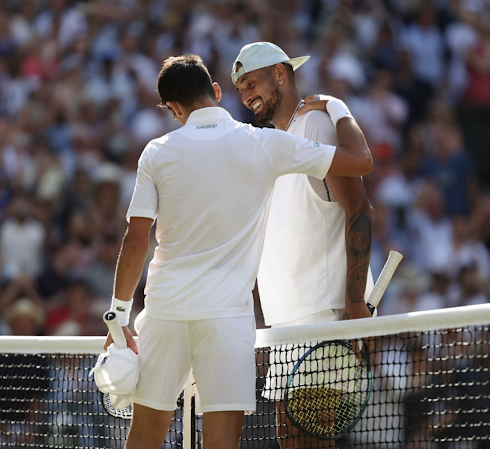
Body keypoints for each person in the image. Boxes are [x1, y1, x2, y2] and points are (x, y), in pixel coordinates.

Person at [103, 53, 372, 449]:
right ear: (216, 91)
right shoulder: (264, 143)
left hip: (164, 313)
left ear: (174, 108)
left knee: (144, 437)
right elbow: (361, 161)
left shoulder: (156, 152)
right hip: (227, 319)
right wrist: (336, 107)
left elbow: (136, 239)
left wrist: (118, 317)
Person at [231, 42, 375, 448]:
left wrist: (354, 301)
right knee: (291, 439)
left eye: (251, 83)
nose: (245, 96)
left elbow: (360, 209)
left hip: (322, 315)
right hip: (287, 324)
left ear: (280, 73)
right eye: (240, 88)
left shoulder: (314, 124)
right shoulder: (276, 143)